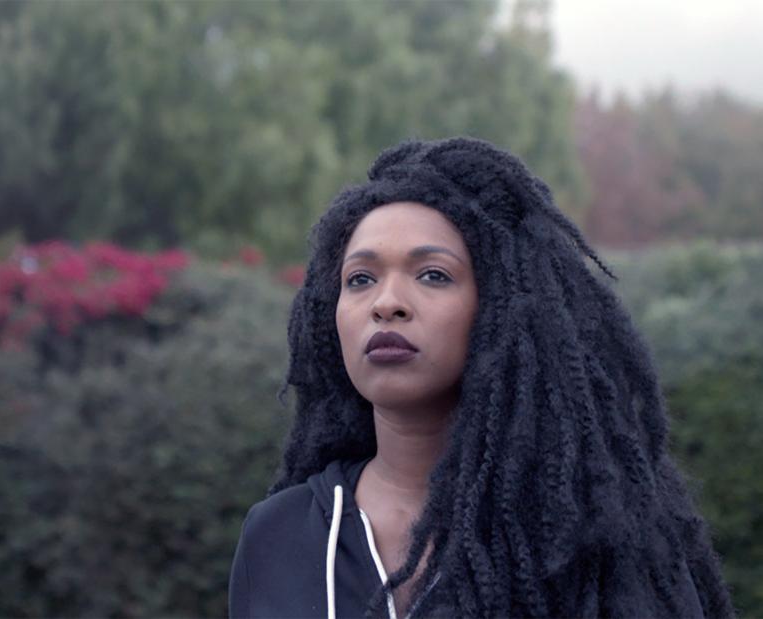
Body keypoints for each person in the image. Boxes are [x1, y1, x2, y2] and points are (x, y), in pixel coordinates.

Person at [228, 137, 734, 619]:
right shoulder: (277, 536)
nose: (386, 303)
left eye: (433, 275)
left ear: (502, 310)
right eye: (360, 279)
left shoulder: (597, 537)